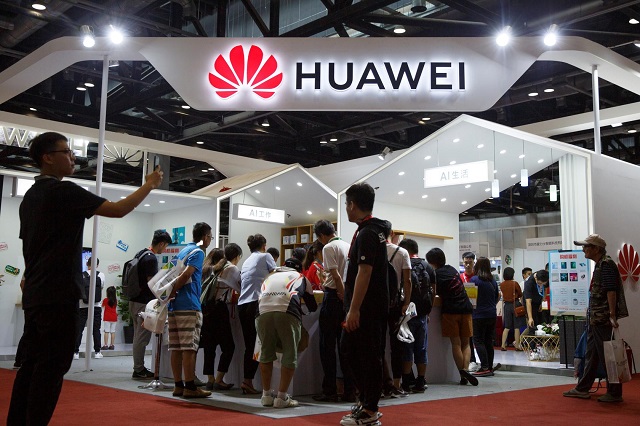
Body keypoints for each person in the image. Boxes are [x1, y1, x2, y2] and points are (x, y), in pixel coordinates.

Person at [8, 131, 163, 426]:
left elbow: (31, 245)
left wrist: (29, 277)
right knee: (52, 368)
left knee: (31, 365)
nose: (73, 157)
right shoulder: (64, 191)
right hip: (58, 293)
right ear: (48, 157)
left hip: (37, 294)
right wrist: (148, 185)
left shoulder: (30, 196)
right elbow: (118, 210)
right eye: (66, 151)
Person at [340, 182, 389, 426]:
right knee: (352, 351)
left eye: (347, 203)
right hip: (367, 306)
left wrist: (354, 308)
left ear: (352, 204)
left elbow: (365, 272)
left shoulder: (369, 232)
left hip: (367, 308)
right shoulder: (371, 230)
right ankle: (366, 404)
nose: (346, 208)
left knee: (365, 355)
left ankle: (370, 409)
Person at [563, 234, 627, 403]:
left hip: (602, 318)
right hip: (596, 318)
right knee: (591, 354)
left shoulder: (606, 264)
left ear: (597, 249)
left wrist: (612, 315)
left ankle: (614, 393)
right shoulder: (601, 264)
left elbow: (611, 291)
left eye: (587, 246)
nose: (584, 249)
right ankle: (583, 388)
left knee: (608, 356)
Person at [257, 266, 318, 408]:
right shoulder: (301, 277)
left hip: (262, 312)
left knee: (265, 352)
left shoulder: (269, 277)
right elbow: (313, 306)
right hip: (287, 312)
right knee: (290, 353)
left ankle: (266, 395)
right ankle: (282, 397)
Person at [312, 219, 355, 403]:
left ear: (321, 236)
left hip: (333, 298)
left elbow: (336, 275)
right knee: (345, 347)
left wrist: (341, 293)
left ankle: (329, 390)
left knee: (326, 346)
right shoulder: (347, 245)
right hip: (345, 300)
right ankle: (349, 391)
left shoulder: (328, 248)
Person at [169, 222, 212, 399]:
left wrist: (169, 294)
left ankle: (178, 385)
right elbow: (186, 274)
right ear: (204, 237)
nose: (210, 240)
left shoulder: (182, 251)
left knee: (176, 347)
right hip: (189, 304)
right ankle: (190, 386)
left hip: (174, 305)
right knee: (189, 348)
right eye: (210, 236)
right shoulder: (199, 252)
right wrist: (173, 289)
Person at [426, 247, 478, 387]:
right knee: (466, 343)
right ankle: (466, 371)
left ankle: (462, 373)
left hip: (450, 311)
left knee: (456, 343)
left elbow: (434, 294)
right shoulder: (453, 270)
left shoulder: (434, 274)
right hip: (466, 309)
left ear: (432, 262)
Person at [130, 229, 172, 379]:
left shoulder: (141, 253)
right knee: (142, 337)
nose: (165, 249)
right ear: (161, 243)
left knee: (137, 336)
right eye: (165, 246)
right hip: (143, 303)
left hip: (134, 300)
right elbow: (152, 283)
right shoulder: (151, 259)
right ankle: (139, 369)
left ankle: (138, 367)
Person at [200, 243, 243, 391]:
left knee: (209, 346)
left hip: (205, 310)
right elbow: (241, 288)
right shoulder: (230, 268)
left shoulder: (206, 269)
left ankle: (210, 379)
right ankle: (219, 379)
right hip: (219, 310)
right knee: (229, 347)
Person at [238, 233, 277, 394]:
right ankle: (256, 383)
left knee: (250, 345)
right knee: (259, 345)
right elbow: (275, 275)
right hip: (256, 303)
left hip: (242, 304)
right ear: (264, 245)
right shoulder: (266, 256)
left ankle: (247, 380)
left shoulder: (247, 260)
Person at [398, 238, 435, 394]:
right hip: (421, 314)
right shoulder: (427, 266)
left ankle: (406, 382)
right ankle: (420, 381)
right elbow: (433, 290)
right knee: (421, 349)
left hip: (406, 315)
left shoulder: (403, 266)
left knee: (407, 348)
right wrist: (428, 311)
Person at [382, 222, 412, 397]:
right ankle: (396, 384)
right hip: (396, 305)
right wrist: (407, 302)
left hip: (377, 305)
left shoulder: (374, 251)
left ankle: (380, 383)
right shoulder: (402, 252)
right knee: (396, 345)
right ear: (391, 233)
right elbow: (407, 281)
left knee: (377, 346)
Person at [470, 257, 499, 377]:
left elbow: (470, 300)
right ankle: (490, 366)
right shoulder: (492, 281)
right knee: (488, 341)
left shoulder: (474, 279)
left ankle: (484, 366)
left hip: (478, 315)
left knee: (478, 340)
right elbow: (497, 296)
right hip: (492, 314)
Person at [74, 257, 105, 360]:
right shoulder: (101, 275)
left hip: (83, 306)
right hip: (96, 306)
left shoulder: (81, 275)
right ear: (97, 265)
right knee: (96, 329)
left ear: (87, 263)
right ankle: (97, 352)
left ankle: (75, 352)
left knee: (79, 329)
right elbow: (101, 288)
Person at [459, 251, 478, 372]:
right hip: (465, 310)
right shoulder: (461, 277)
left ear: (474, 262)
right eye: (465, 262)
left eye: (470, 262)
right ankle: (471, 360)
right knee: (468, 337)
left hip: (477, 310)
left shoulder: (477, 277)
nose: (467, 265)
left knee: (477, 337)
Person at [499, 267, 524, 351]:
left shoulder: (502, 284)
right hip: (515, 304)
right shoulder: (514, 283)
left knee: (507, 326)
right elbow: (520, 294)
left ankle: (503, 345)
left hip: (506, 305)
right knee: (517, 326)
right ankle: (517, 345)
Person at [101, 286, 118, 350]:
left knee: (106, 331)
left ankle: (105, 345)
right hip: (114, 317)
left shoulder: (105, 300)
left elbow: (102, 306)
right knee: (113, 331)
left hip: (107, 317)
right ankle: (112, 345)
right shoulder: (115, 300)